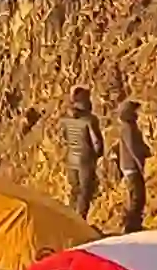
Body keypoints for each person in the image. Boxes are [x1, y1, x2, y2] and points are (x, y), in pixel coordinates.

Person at [59, 88, 106, 219]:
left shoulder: (65, 120)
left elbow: (64, 138)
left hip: (71, 159)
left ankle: (70, 220)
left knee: (75, 190)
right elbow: (96, 142)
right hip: (85, 159)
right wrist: (98, 154)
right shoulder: (90, 120)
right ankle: (81, 220)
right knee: (85, 191)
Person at [109, 98, 149, 235]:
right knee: (138, 197)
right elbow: (133, 148)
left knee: (135, 196)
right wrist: (141, 164)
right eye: (135, 111)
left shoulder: (126, 127)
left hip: (128, 166)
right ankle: (132, 226)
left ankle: (133, 224)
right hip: (131, 166)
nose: (138, 114)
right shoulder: (129, 128)